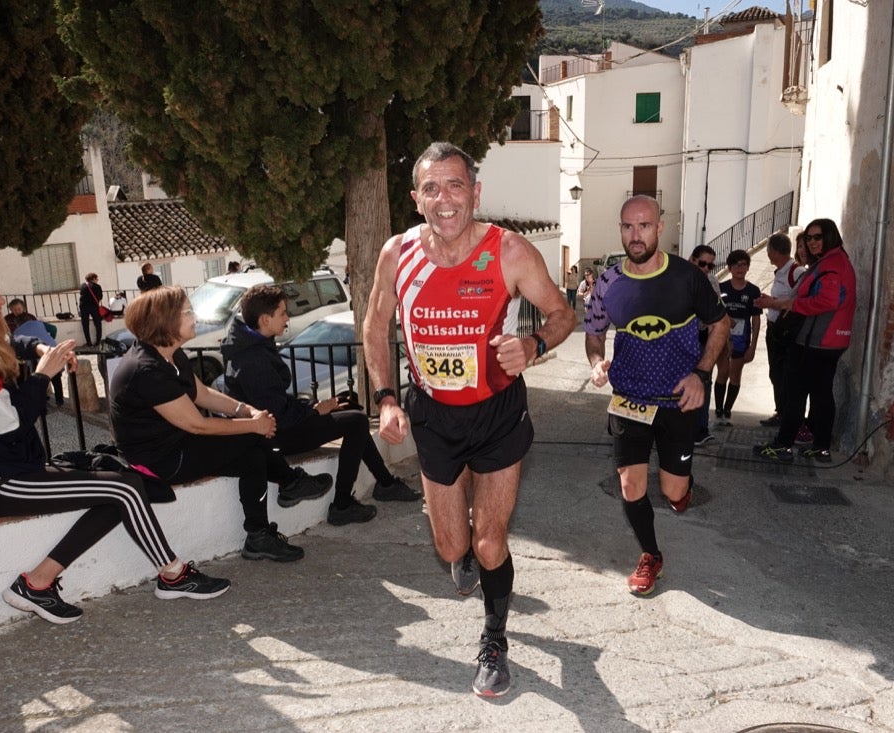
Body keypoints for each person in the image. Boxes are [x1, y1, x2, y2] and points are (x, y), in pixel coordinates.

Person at [362, 141, 576, 698]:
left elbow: (562, 313)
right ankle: (465, 558)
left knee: (489, 545)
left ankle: (494, 638)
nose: (445, 199)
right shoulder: (397, 253)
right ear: (416, 199)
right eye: (431, 188)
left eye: (455, 185)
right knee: (452, 547)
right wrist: (386, 397)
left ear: (475, 192)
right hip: (433, 416)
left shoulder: (509, 251)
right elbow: (374, 323)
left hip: (498, 413)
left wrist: (532, 344)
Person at [0, 259, 230, 624]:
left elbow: (12, 340)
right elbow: (11, 426)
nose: (1, 301)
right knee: (126, 489)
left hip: (8, 470)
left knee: (122, 490)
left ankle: (37, 584)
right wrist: (42, 376)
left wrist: (38, 349)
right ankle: (174, 575)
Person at [109, 286, 333, 564]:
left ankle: (259, 535)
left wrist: (247, 410)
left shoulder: (170, 354)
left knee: (252, 456)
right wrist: (253, 426)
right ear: (166, 320)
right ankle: (289, 483)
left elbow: (202, 394)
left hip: (176, 444)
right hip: (158, 461)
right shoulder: (147, 370)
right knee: (252, 440)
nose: (195, 316)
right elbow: (198, 425)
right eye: (188, 312)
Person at [585, 195, 729, 599]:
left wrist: (701, 374)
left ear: (659, 228)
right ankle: (651, 555)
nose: (636, 235)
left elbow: (721, 325)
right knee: (631, 485)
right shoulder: (608, 283)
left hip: (678, 399)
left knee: (673, 492)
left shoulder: (687, 278)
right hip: (630, 398)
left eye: (644, 226)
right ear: (620, 229)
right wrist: (597, 362)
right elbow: (595, 333)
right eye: (628, 227)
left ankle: (680, 485)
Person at [221, 284, 421, 526]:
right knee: (356, 421)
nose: (287, 318)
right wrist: (314, 410)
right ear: (265, 319)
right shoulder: (252, 359)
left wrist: (316, 405)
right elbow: (278, 416)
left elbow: (275, 401)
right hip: (274, 437)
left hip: (277, 427)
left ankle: (385, 484)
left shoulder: (254, 344)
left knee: (350, 411)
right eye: (283, 313)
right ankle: (342, 505)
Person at [753, 218, 857, 463]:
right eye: (808, 238)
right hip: (827, 341)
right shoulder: (833, 261)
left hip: (818, 341)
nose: (811, 242)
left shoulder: (832, 265)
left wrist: (789, 304)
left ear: (830, 237)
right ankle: (820, 447)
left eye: (817, 237)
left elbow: (828, 301)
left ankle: (783, 445)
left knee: (796, 394)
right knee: (821, 395)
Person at [760, 233, 806, 428]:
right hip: (774, 330)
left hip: (786, 334)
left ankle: (787, 415)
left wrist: (771, 303)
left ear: (774, 251)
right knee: (775, 373)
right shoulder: (781, 271)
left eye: (769, 251)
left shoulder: (796, 272)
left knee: (784, 374)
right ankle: (781, 411)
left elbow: (798, 302)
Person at [712, 249, 762, 426]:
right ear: (730, 267)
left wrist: (753, 346)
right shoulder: (722, 288)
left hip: (742, 340)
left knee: (735, 375)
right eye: (736, 265)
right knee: (722, 372)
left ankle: (728, 410)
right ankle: (718, 410)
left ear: (748, 267)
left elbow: (756, 319)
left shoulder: (754, 291)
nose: (740, 268)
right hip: (722, 338)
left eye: (743, 265)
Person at [688, 245, 720, 446]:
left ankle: (701, 428)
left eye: (711, 265)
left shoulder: (712, 282)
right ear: (692, 260)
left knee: (703, 383)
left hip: (701, 340)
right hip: (679, 340)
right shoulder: (678, 278)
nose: (707, 269)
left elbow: (718, 315)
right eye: (703, 264)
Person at [5, 298, 64, 406]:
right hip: (50, 348)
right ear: (11, 310)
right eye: (14, 309)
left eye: (18, 309)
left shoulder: (19, 329)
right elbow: (52, 329)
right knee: (54, 375)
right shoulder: (10, 320)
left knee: (38, 376)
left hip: (32, 353)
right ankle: (59, 400)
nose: (17, 311)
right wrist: (48, 338)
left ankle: (41, 402)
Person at [78, 272, 103, 346]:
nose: (97, 280)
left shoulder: (82, 286)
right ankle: (98, 341)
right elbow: (100, 297)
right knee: (98, 324)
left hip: (83, 307)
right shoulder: (97, 287)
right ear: (93, 279)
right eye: (96, 278)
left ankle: (89, 342)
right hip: (94, 307)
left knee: (85, 325)